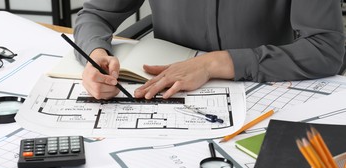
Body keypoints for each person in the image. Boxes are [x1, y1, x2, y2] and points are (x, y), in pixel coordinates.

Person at [74, 0, 345, 100]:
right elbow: (95, 14)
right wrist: (94, 54)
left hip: (267, 92)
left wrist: (213, 64)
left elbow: (326, 49)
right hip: (166, 95)